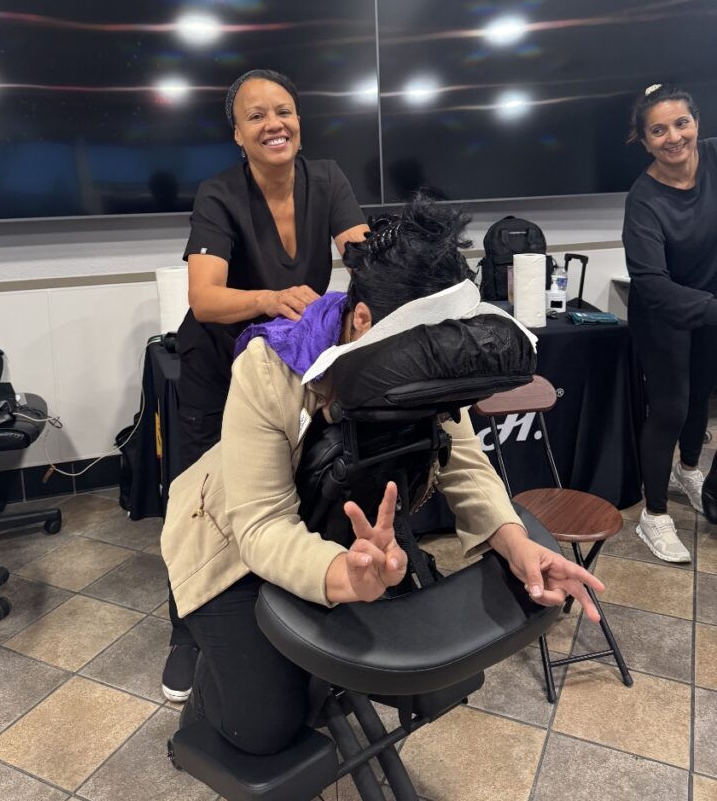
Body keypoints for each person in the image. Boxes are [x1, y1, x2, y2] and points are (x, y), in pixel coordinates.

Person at [161, 195, 606, 757]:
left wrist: (514, 542)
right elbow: (260, 524)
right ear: (364, 320)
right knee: (266, 727)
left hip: (341, 526)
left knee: (386, 675)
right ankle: (207, 678)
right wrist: (341, 578)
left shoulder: (427, 352)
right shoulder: (271, 366)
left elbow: (463, 459)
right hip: (228, 541)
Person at [163, 69, 369, 701]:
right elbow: (205, 300)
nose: (273, 123)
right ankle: (184, 633)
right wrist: (271, 297)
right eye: (257, 116)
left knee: (276, 497)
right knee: (199, 504)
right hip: (213, 367)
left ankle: (277, 609)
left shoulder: (327, 178)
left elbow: (363, 255)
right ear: (237, 133)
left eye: (284, 110)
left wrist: (380, 290)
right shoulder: (219, 194)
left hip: (278, 370)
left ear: (299, 121)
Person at [623, 83, 717, 561]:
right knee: (671, 407)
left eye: (682, 123)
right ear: (645, 141)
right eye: (658, 131)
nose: (673, 137)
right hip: (661, 314)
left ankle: (688, 468)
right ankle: (654, 516)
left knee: (700, 392)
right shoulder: (643, 200)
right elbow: (654, 287)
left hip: (709, 305)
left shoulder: (715, 159)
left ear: (697, 122)